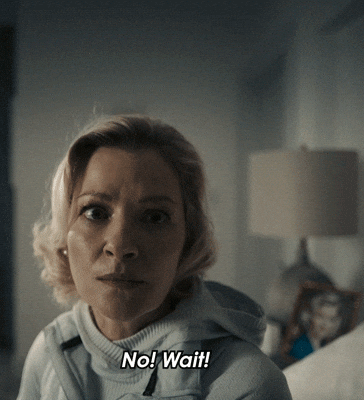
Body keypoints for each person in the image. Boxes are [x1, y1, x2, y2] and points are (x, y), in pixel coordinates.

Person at [17, 115, 292, 399]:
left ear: (188, 239)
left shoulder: (244, 383)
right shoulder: (49, 353)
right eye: (95, 212)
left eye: (155, 217)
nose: (120, 245)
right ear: (64, 235)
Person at [288, 292, 343, 360]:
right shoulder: (300, 346)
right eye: (320, 316)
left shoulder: (325, 347)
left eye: (331, 319)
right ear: (310, 316)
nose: (325, 324)